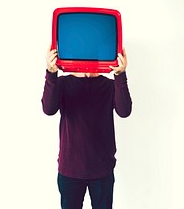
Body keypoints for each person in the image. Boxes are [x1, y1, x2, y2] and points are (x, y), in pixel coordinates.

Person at [41, 47, 132, 209]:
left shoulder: (109, 85)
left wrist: (120, 75)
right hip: (70, 169)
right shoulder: (62, 83)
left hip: (102, 170)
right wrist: (51, 73)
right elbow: (48, 109)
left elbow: (124, 112)